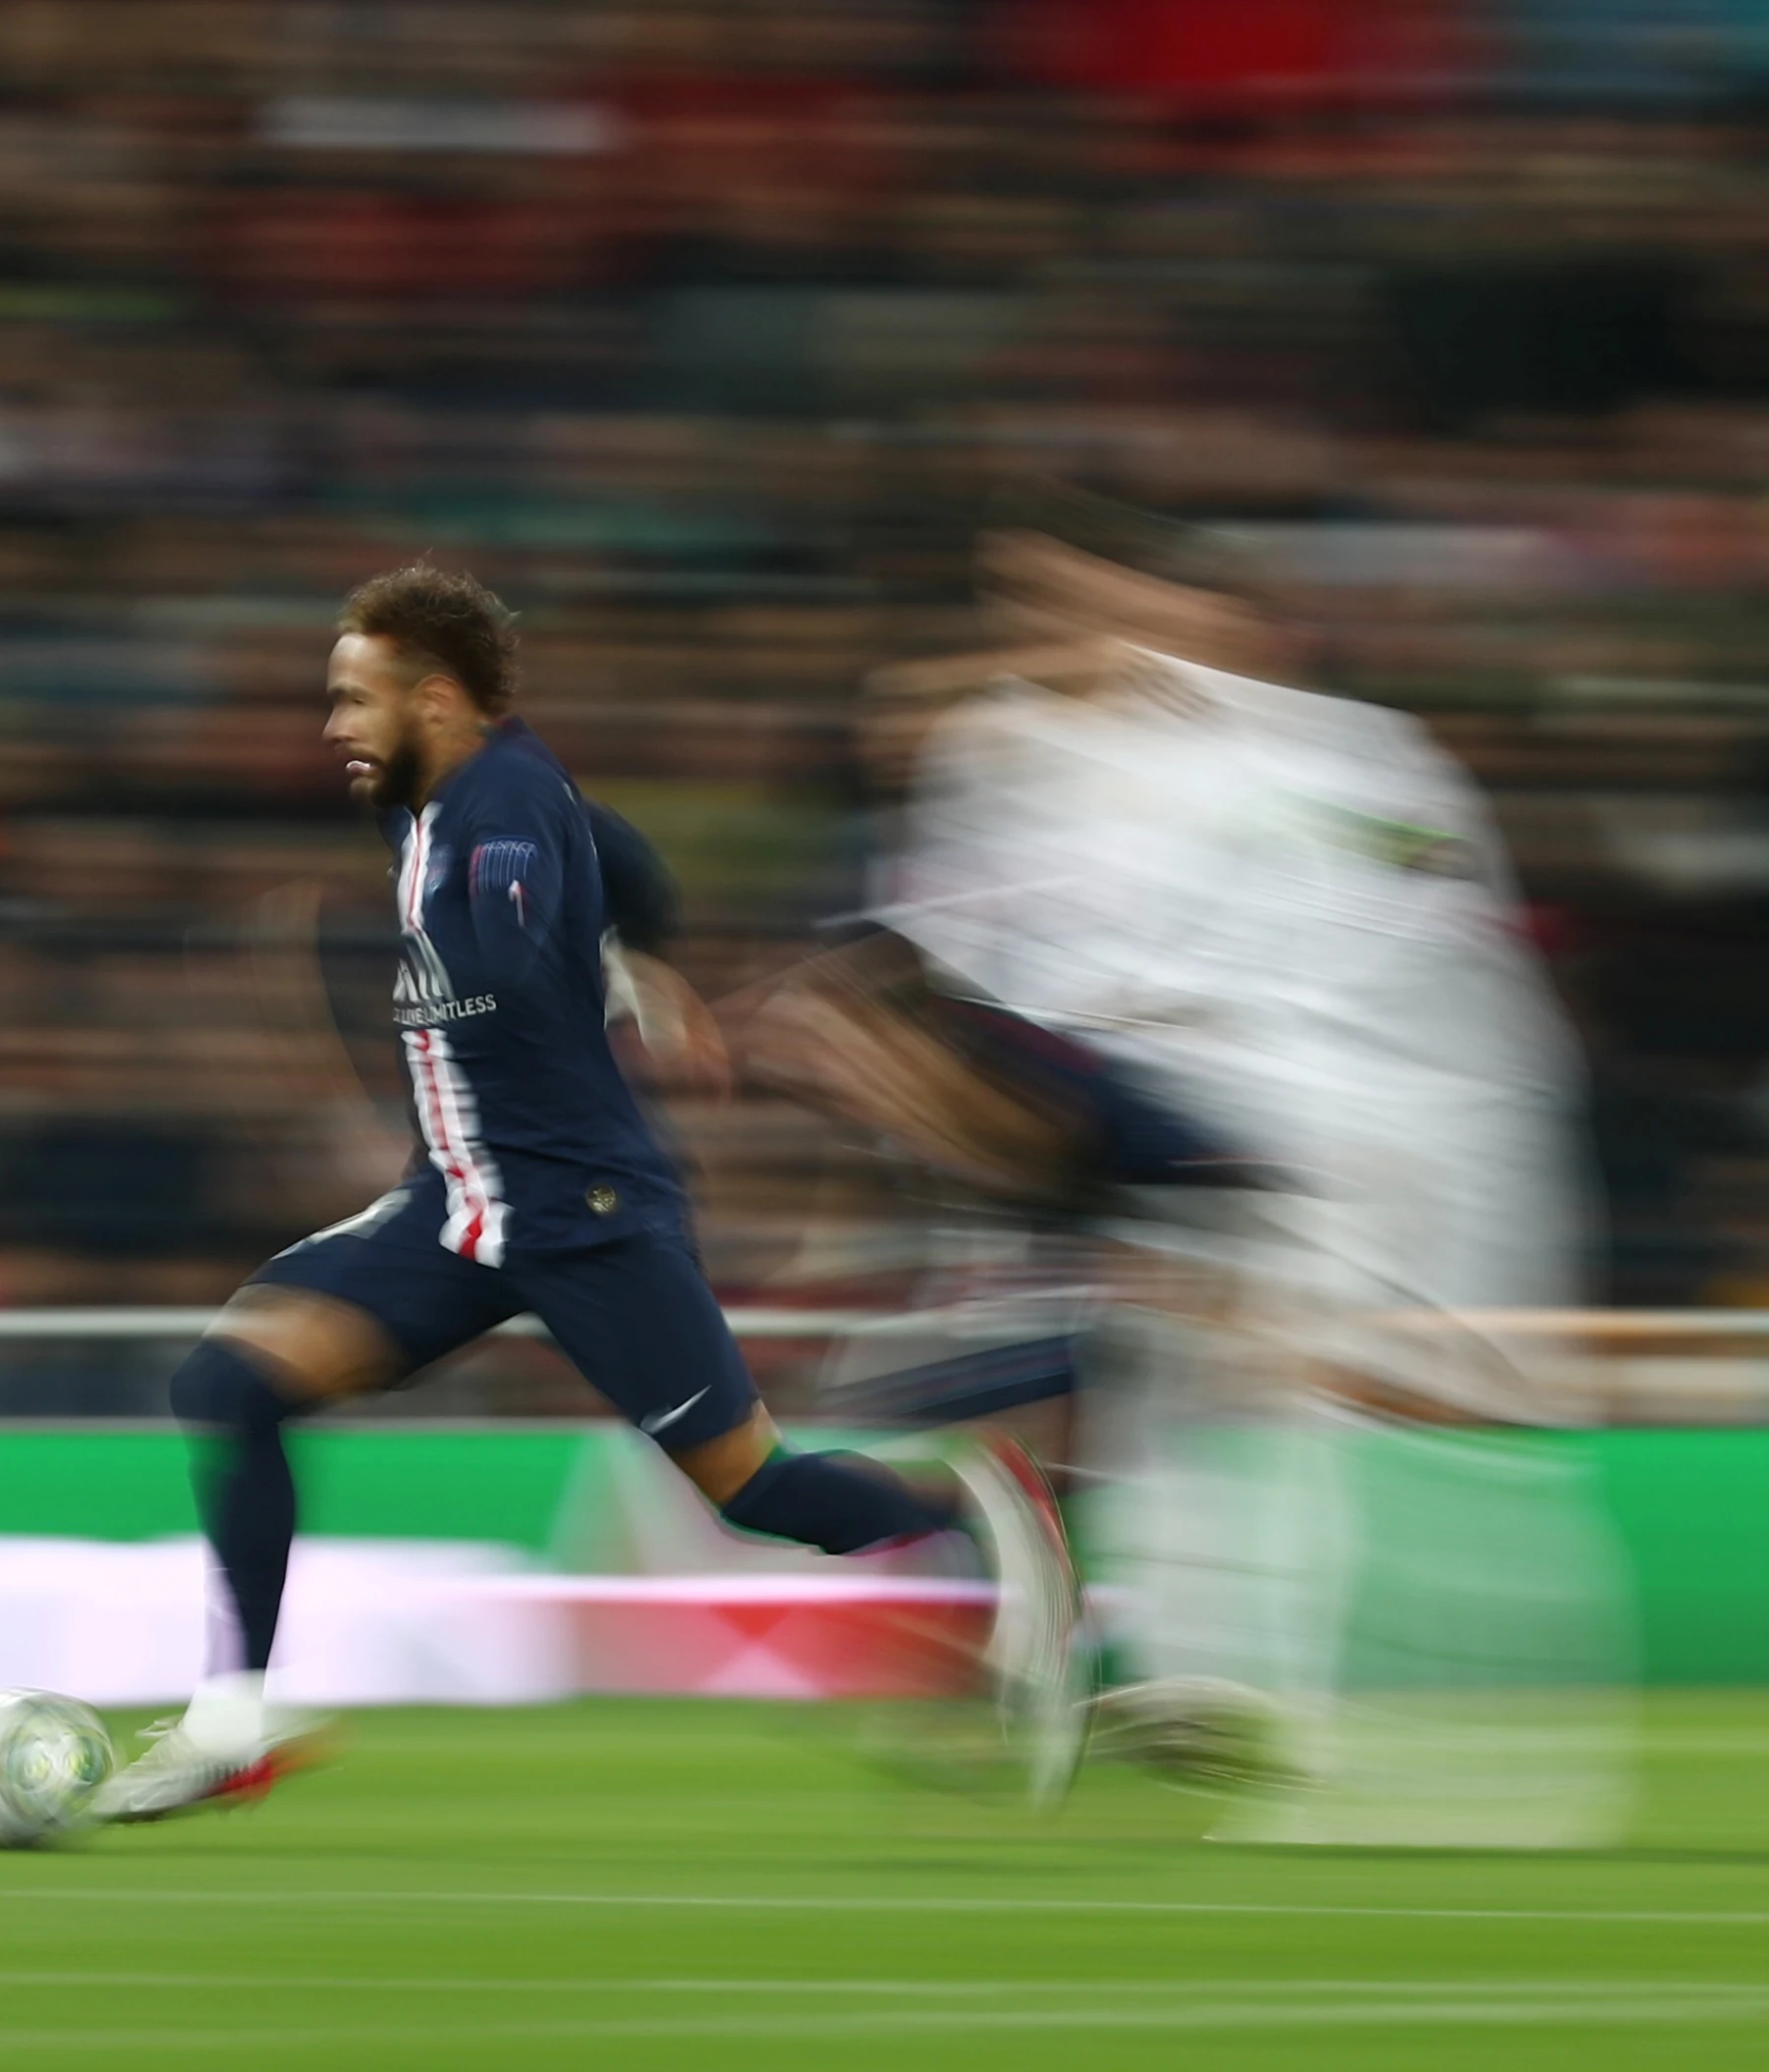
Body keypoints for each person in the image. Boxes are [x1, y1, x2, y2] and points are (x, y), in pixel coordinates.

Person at [91, 564, 1078, 1823]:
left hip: (579, 1214)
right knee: (228, 1381)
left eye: (352, 700)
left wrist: (544, 966)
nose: (333, 726)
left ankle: (974, 1506)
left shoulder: (497, 806)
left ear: (434, 699)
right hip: (457, 1212)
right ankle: (234, 1720)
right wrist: (641, 955)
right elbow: (621, 850)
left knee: (759, 1491)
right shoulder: (429, 796)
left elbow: (505, 950)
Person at [743, 490, 1631, 1847]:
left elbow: (1421, 951)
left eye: (1073, 600)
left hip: (1377, 1114)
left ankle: (1302, 1694)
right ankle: (1196, 1674)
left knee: (1352, 1407)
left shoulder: (1351, 760)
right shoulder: (1003, 760)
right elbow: (974, 972)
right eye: (1023, 606)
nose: (1044, 633)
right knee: (1178, 1363)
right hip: (1169, 1117)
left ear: (1188, 611)